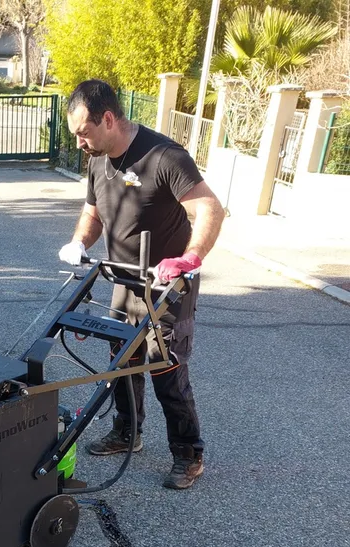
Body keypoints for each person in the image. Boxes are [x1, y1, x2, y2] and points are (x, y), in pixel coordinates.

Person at [58, 79, 225, 490]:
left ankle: (188, 455)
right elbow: (93, 211)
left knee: (166, 369)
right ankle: (126, 432)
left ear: (108, 119)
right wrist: (79, 241)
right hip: (124, 278)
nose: (79, 142)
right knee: (123, 361)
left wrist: (191, 258)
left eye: (83, 132)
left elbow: (210, 208)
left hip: (168, 286)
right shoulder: (97, 158)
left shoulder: (164, 157)